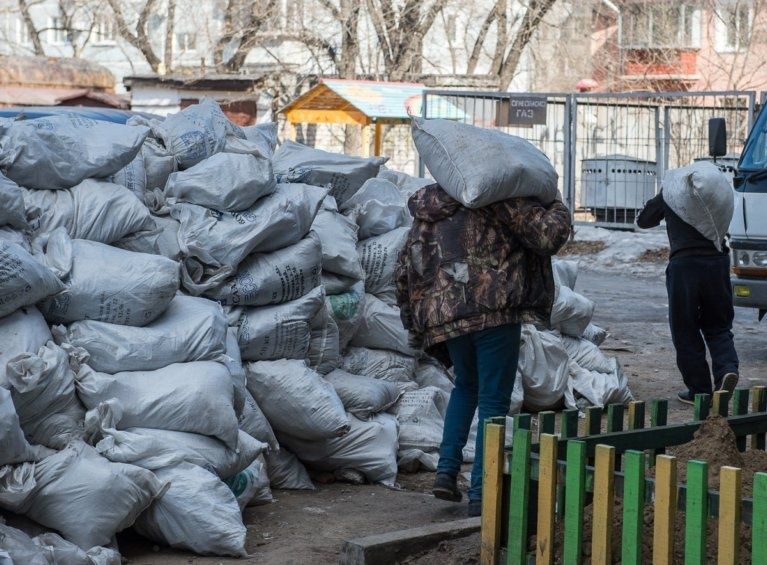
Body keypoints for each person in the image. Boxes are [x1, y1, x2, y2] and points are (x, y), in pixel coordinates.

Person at [394, 184, 571, 517]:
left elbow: (405, 268)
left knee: (466, 385)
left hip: (447, 316)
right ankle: (481, 493)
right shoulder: (499, 196)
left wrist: (414, 323)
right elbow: (548, 237)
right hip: (494, 311)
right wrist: (557, 203)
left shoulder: (428, 210)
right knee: (493, 399)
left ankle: (446, 472)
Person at [636, 191, 739, 404]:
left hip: (685, 266)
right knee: (718, 325)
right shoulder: (715, 193)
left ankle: (699, 390)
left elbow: (644, 221)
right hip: (717, 263)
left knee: (685, 328)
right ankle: (727, 370)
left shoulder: (673, 193)